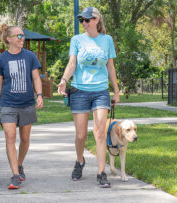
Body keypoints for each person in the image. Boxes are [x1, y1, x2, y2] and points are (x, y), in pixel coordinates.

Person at [57, 7, 120, 188]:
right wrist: (63, 80)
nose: (84, 23)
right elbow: (72, 63)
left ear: (97, 20)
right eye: (81, 20)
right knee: (81, 135)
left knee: (100, 133)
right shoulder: (76, 40)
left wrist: (116, 91)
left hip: (100, 91)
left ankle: (101, 173)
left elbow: (110, 67)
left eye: (87, 19)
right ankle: (79, 160)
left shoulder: (107, 40)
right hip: (79, 91)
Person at [0, 24, 43, 189]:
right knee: (10, 137)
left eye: (23, 36)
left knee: (25, 140)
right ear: (9, 39)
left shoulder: (30, 56)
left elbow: (36, 78)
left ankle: (19, 164)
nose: (23, 38)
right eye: (19, 36)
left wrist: (40, 95)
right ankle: (15, 175)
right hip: (8, 104)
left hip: (27, 104)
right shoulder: (1, 60)